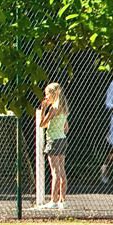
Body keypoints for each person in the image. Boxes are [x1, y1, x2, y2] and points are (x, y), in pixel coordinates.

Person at [37, 82, 69, 210]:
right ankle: (63, 199)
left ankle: (53, 200)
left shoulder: (53, 109)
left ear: (52, 95)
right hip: (62, 139)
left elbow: (42, 124)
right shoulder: (64, 108)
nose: (46, 97)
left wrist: (43, 108)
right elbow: (66, 128)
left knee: (55, 172)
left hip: (53, 141)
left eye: (47, 95)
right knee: (62, 171)